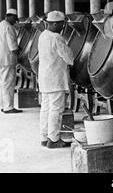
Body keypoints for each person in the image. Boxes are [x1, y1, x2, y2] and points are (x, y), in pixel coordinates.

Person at [38, 11, 74, 149]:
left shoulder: (43, 35)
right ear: (54, 23)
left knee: (45, 108)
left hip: (45, 78)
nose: (62, 27)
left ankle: (44, 137)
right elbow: (68, 57)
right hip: (55, 79)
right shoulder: (56, 37)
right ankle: (53, 139)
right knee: (56, 110)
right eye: (61, 24)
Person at [0, 9, 22, 114]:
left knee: (2, 83)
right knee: (8, 83)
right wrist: (20, 55)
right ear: (10, 17)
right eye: (15, 19)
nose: (16, 21)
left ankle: (4, 106)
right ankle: (9, 107)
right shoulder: (9, 27)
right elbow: (13, 47)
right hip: (7, 59)